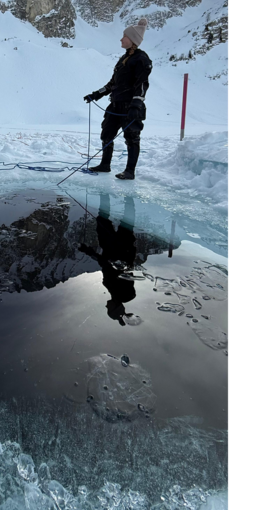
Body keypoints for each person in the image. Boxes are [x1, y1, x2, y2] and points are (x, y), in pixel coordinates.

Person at [83, 18, 152, 180]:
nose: (121, 39)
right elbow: (112, 83)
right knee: (106, 133)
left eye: (124, 36)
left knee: (132, 138)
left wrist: (136, 104)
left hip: (130, 106)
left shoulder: (142, 59)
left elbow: (142, 84)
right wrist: (96, 94)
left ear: (133, 40)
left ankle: (129, 171)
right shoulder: (123, 59)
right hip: (115, 105)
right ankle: (105, 164)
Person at [77, 195, 144, 326]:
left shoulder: (121, 293)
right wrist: (87, 251)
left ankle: (128, 196)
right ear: (115, 307)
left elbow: (111, 266)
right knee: (103, 217)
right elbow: (105, 264)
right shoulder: (117, 291)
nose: (106, 306)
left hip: (124, 248)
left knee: (126, 221)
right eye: (109, 308)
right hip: (113, 247)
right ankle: (105, 193)